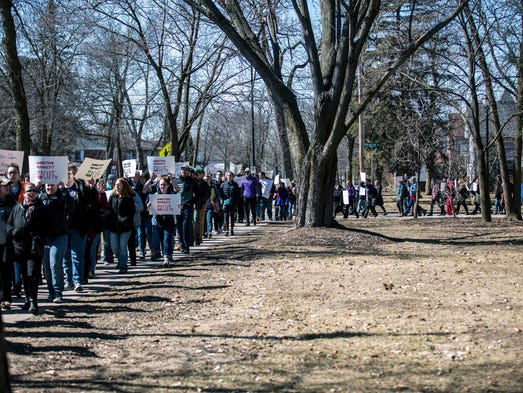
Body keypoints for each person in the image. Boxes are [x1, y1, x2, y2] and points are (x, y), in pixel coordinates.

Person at [7, 182, 46, 314]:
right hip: (20, 247)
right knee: (24, 275)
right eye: (29, 191)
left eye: (34, 191)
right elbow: (9, 225)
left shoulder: (41, 207)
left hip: (34, 247)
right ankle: (27, 299)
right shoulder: (17, 208)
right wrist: (14, 232)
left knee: (32, 274)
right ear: (23, 192)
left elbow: (47, 225)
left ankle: (34, 301)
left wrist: (39, 237)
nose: (32, 193)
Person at [63, 163, 97, 293]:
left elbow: (93, 203)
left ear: (74, 174)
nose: (67, 175)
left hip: (79, 225)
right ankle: (69, 280)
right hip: (63, 227)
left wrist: (92, 187)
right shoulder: (59, 188)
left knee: (77, 254)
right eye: (65, 173)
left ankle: (77, 280)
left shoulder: (81, 187)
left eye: (70, 173)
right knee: (66, 255)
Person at [39, 182, 75, 304]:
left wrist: (64, 190)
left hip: (59, 236)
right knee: (47, 267)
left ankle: (58, 292)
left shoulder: (62, 196)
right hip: (45, 237)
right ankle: (51, 292)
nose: (50, 187)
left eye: (52, 185)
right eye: (48, 185)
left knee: (55, 264)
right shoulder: (41, 196)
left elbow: (71, 206)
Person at [107, 178, 135, 273]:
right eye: (116, 185)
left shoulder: (128, 197)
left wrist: (126, 220)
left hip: (125, 226)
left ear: (124, 186)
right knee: (114, 246)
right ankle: (120, 260)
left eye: (119, 185)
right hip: (113, 225)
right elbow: (110, 209)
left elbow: (132, 212)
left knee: (123, 245)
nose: (117, 186)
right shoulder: (112, 196)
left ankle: (123, 265)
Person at [149, 176, 178, 267]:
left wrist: (179, 207)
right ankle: (168, 254)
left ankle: (166, 258)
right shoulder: (155, 196)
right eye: (161, 185)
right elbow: (149, 208)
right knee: (163, 240)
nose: (162, 186)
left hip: (170, 221)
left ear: (168, 185)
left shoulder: (172, 195)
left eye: (164, 185)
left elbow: (177, 205)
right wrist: (149, 205)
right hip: (159, 222)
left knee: (166, 239)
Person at [0, 177, 16, 310]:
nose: (7, 187)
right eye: (4, 185)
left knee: (6, 271)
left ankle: (6, 298)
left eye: (8, 186)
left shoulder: (13, 203)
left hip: (7, 242)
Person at [176, 165, 196, 254]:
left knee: (185, 226)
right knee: (179, 227)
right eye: (182, 170)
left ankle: (186, 246)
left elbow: (196, 195)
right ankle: (181, 245)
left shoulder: (192, 181)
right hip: (177, 206)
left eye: (185, 170)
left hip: (187, 206)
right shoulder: (176, 180)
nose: (183, 171)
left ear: (188, 171)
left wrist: (189, 203)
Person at [220, 171, 240, 236]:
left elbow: (238, 194)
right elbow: (221, 194)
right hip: (225, 203)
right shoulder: (223, 184)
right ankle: (226, 231)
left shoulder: (235, 184)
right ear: (226, 176)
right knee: (225, 218)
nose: (229, 177)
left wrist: (236, 202)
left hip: (233, 203)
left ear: (232, 176)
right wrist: (223, 201)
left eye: (230, 175)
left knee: (232, 218)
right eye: (228, 175)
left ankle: (232, 230)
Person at [193, 168, 210, 246]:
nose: (202, 174)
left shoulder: (204, 183)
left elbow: (208, 193)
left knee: (199, 221)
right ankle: (194, 237)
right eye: (201, 173)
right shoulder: (193, 182)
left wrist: (202, 200)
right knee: (194, 221)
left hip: (200, 204)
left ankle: (199, 237)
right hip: (193, 204)